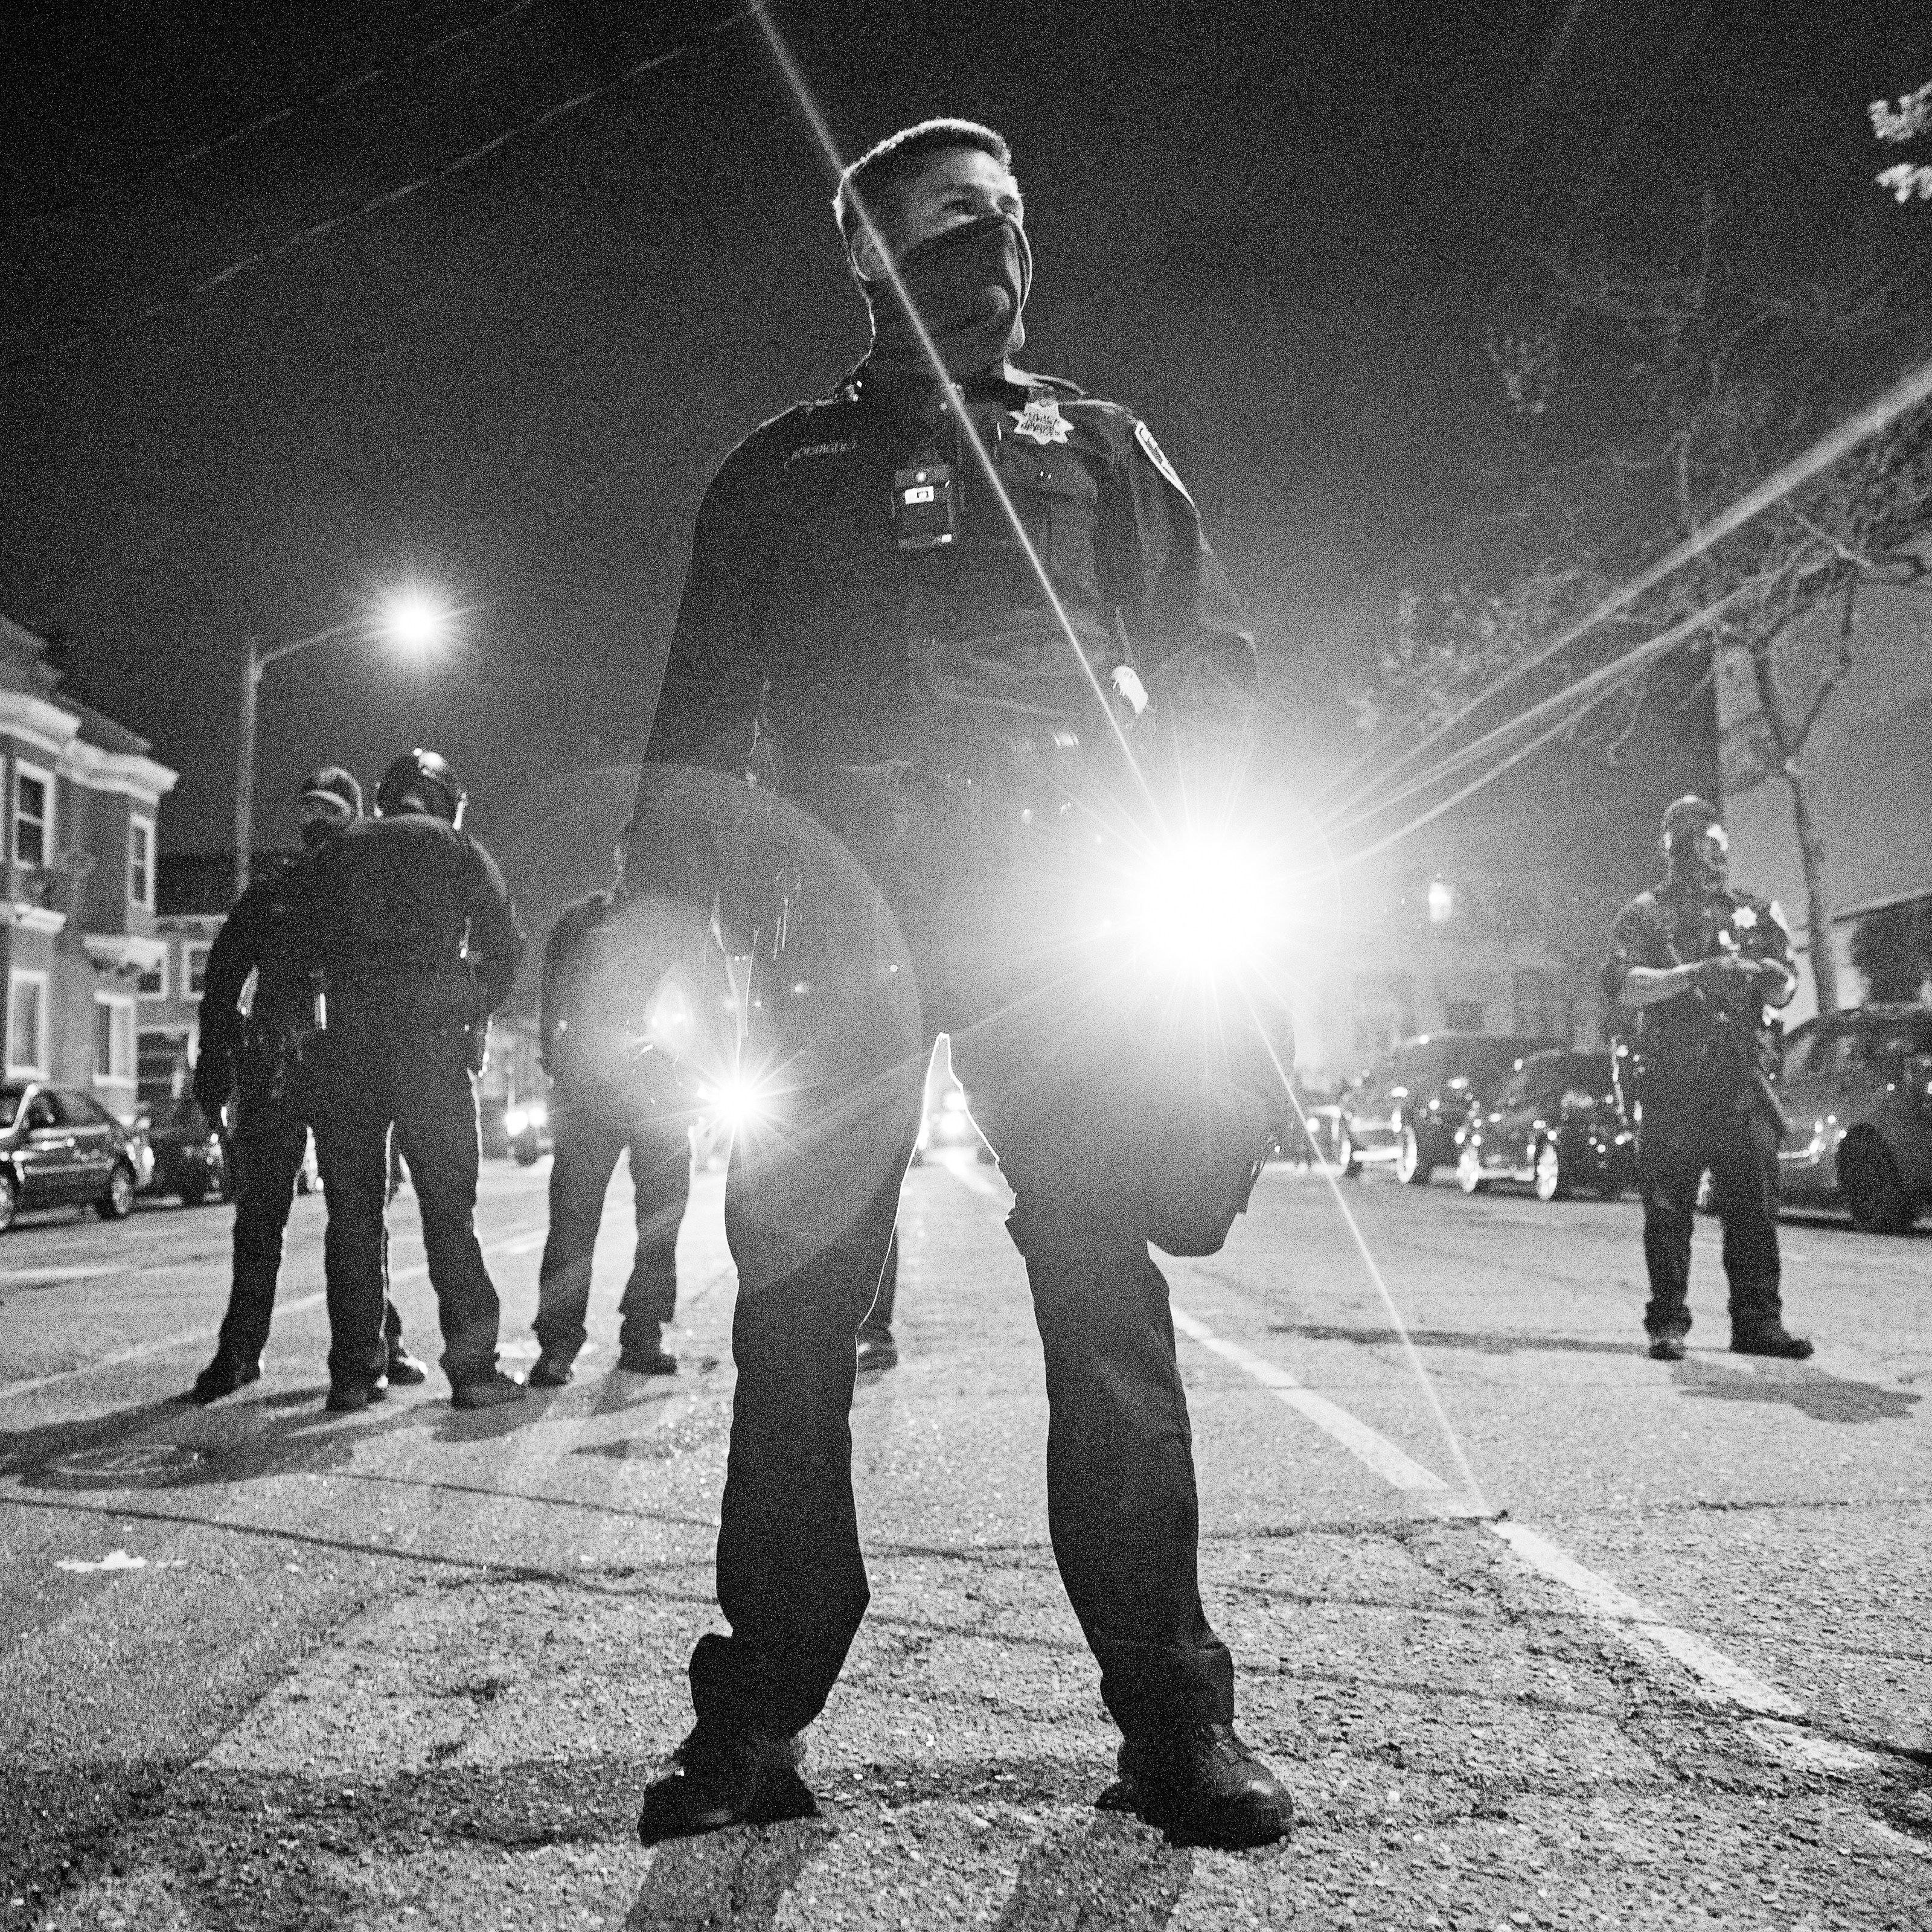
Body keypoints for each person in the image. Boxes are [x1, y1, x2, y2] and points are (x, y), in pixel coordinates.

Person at [627, 119, 1291, 1849]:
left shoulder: (1105, 446)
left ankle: (1173, 1720)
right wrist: (666, 923)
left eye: (1003, 220)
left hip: (1062, 904)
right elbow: (702, 722)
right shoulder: (779, 471)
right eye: (939, 225)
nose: (984, 250)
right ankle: (757, 1720)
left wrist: (1205, 866)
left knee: (1106, 1290)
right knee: (794, 1315)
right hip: (840, 912)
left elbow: (1211, 669)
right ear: (864, 257)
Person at [185, 769, 428, 1404]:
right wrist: (214, 1058)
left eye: (331, 809)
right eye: (307, 809)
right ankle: (239, 1351)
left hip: (349, 1067)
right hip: (273, 1066)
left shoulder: (375, 897)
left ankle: (377, 1344)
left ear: (353, 818)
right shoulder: (272, 894)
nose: (316, 821)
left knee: (357, 1215)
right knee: (259, 1218)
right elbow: (222, 977)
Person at [302, 749, 528, 1411]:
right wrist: (469, 1003)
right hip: (429, 1051)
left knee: (353, 1217)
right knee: (449, 1217)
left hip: (346, 1048)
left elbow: (298, 945)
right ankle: (473, 1369)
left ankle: (354, 1372)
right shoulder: (459, 849)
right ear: (443, 797)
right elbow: (505, 948)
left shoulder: (339, 849)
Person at [1605, 794, 1811, 1363]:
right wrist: (1693, 973)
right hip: (1672, 1085)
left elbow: (1787, 985)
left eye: (1718, 844)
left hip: (1742, 1085)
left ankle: (1758, 1322)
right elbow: (1623, 986)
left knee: (1753, 1211)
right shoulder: (1643, 916)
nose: (1712, 856)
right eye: (1699, 843)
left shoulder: (1757, 912)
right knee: (1668, 1214)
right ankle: (1667, 1324)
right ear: (1674, 847)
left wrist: (1775, 982)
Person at [528, 823, 693, 1386]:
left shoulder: (681, 925)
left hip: (659, 1091)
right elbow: (551, 1001)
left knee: (659, 1221)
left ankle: (640, 1333)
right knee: (576, 1220)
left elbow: (710, 1003)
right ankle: (559, 1343)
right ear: (619, 856)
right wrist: (558, 1064)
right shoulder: (582, 921)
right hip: (595, 1088)